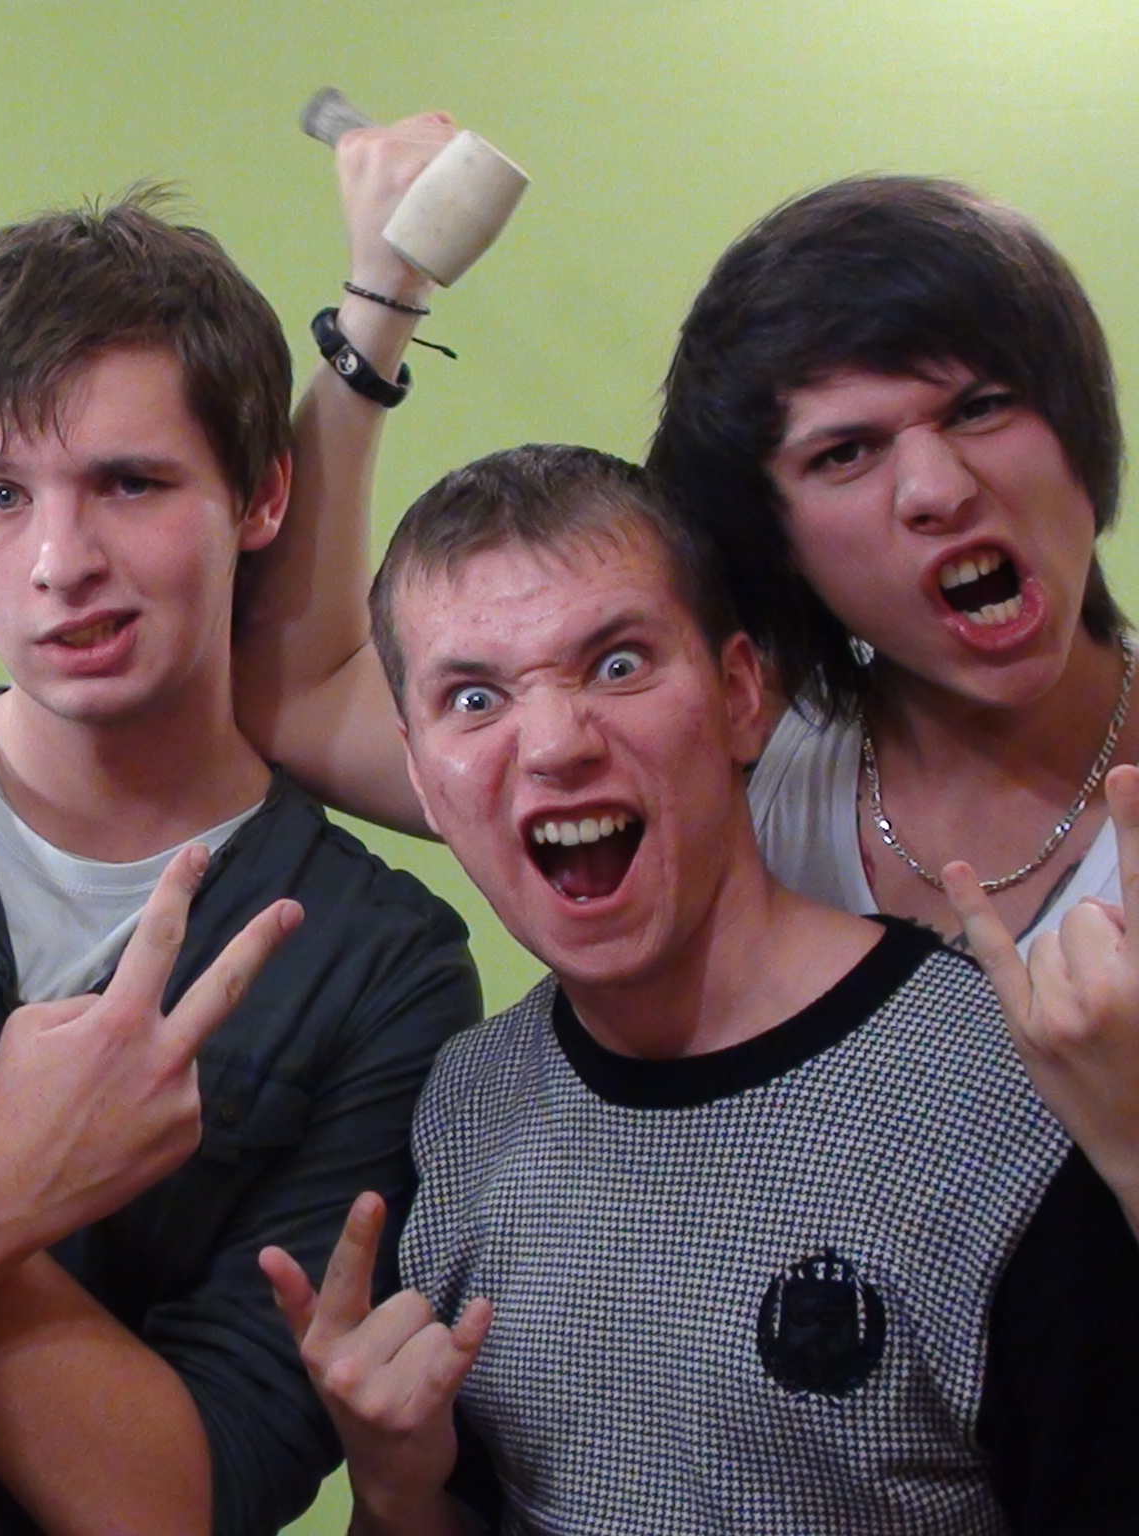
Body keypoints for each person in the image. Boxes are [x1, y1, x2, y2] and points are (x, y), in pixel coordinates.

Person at [0, 174, 482, 1536]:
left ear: (260, 496)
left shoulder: (376, 969)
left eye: (128, 483)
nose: (60, 559)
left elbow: (176, 1500)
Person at [235, 173, 1139, 1237]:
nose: (936, 489)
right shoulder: (733, 746)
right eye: (845, 452)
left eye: (980, 408)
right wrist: (383, 296)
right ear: (775, 539)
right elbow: (295, 690)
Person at [263, 445, 1139, 1534]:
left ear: (739, 696)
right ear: (420, 774)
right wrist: (395, 1489)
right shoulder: (463, 1106)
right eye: (474, 697)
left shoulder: (1019, 1102)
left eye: (618, 665)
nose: (554, 744)